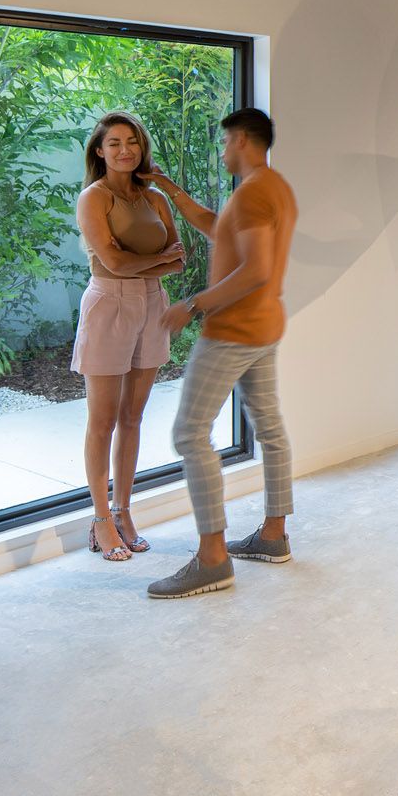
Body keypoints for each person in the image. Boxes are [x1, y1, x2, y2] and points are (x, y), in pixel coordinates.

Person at [138, 108, 298, 599]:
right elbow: (217, 226)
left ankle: (212, 558)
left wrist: (193, 305)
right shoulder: (273, 187)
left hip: (233, 331)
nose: (222, 149)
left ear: (244, 140)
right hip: (264, 326)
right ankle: (273, 536)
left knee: (189, 434)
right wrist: (169, 188)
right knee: (270, 429)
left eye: (226, 142)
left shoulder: (252, 194)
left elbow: (256, 270)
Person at [72, 111, 186, 561]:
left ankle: (124, 511)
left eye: (132, 141)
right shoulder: (93, 198)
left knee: (133, 419)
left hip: (152, 303)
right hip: (109, 304)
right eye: (114, 143)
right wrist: (155, 261)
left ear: (142, 148)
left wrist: (151, 264)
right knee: (102, 422)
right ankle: (101, 520)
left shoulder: (155, 197)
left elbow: (180, 259)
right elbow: (113, 265)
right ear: (99, 151)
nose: (125, 150)